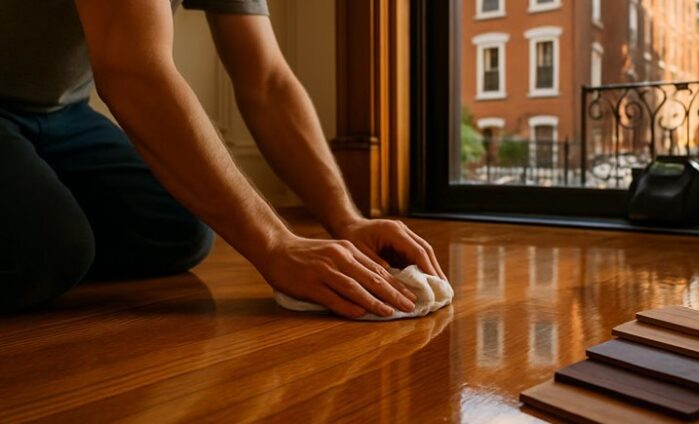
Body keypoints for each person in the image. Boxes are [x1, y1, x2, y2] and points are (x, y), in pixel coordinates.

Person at [0, 0, 446, 317]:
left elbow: (267, 81)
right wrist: (276, 245)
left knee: (175, 230)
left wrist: (347, 221)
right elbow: (130, 69)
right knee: (49, 253)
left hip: (61, 110)